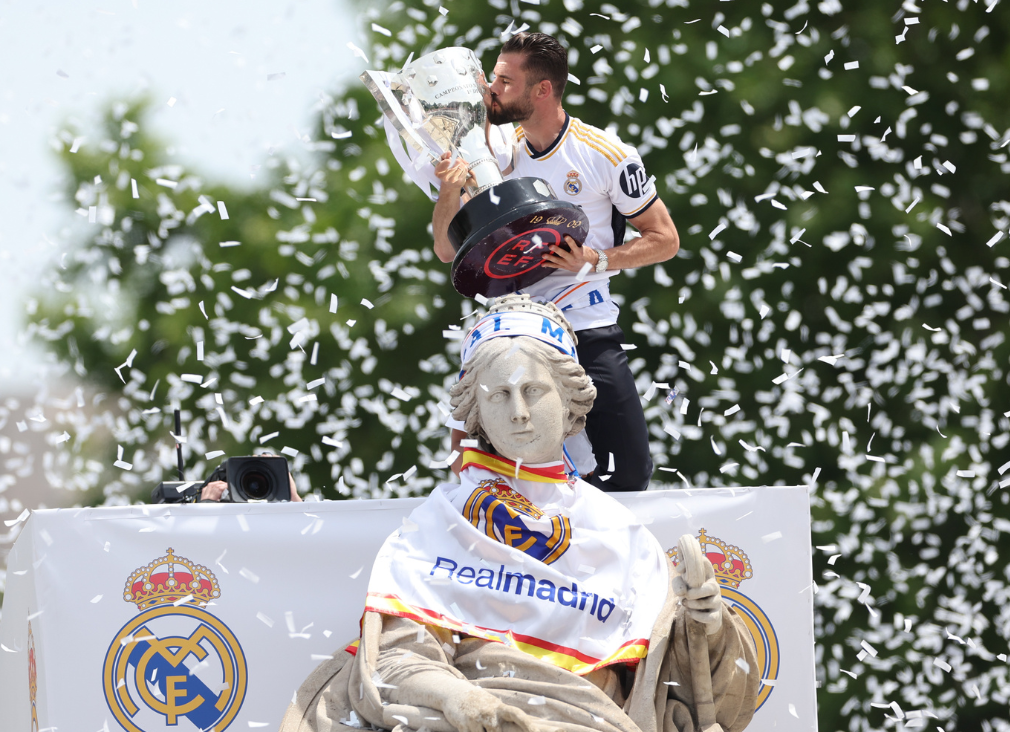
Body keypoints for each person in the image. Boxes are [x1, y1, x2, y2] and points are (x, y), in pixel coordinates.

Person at [279, 296, 758, 732]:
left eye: (534, 391)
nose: (519, 413)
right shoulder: (439, 522)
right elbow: (394, 658)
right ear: (476, 413)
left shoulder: (621, 532)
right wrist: (456, 697)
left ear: (570, 398)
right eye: (498, 396)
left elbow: (685, 694)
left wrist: (708, 626)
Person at [434, 32, 679, 493]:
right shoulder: (495, 151)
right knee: (468, 464)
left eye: (505, 82)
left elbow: (665, 239)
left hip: (586, 324)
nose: (491, 91)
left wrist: (596, 258)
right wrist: (450, 189)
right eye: (493, 79)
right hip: (512, 328)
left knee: (627, 475)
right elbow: (449, 251)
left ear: (542, 90)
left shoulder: (605, 154)